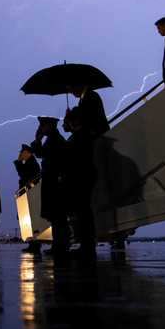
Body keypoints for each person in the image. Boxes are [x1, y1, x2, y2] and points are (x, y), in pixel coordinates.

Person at [29, 117, 70, 256]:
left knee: (57, 215)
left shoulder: (54, 140)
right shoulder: (54, 139)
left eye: (43, 126)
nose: (41, 128)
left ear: (49, 126)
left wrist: (37, 139)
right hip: (53, 180)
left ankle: (61, 245)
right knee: (56, 215)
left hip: (54, 181)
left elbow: (41, 153)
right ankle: (59, 244)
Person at [64, 108, 97, 258]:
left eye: (70, 121)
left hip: (80, 177)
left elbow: (75, 158)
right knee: (83, 212)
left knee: (83, 212)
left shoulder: (80, 136)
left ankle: (87, 245)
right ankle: (87, 244)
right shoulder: (83, 135)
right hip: (84, 176)